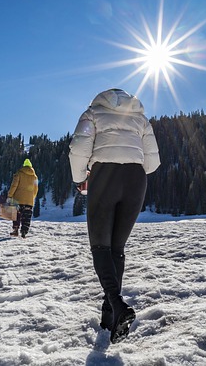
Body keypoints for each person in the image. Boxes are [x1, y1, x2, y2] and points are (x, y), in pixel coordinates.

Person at [69, 88, 160, 344]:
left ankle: (118, 305)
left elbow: (78, 149)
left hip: (104, 176)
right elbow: (152, 163)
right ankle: (109, 314)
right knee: (117, 248)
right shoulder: (141, 119)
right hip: (136, 180)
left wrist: (80, 179)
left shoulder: (93, 113)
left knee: (100, 246)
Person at [7, 158, 39, 238]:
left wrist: (10, 195)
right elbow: (36, 189)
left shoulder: (19, 174)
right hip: (29, 201)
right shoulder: (35, 177)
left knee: (16, 215)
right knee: (26, 217)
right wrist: (32, 198)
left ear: (24, 166)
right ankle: (24, 231)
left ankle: (15, 230)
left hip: (18, 199)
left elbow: (14, 186)